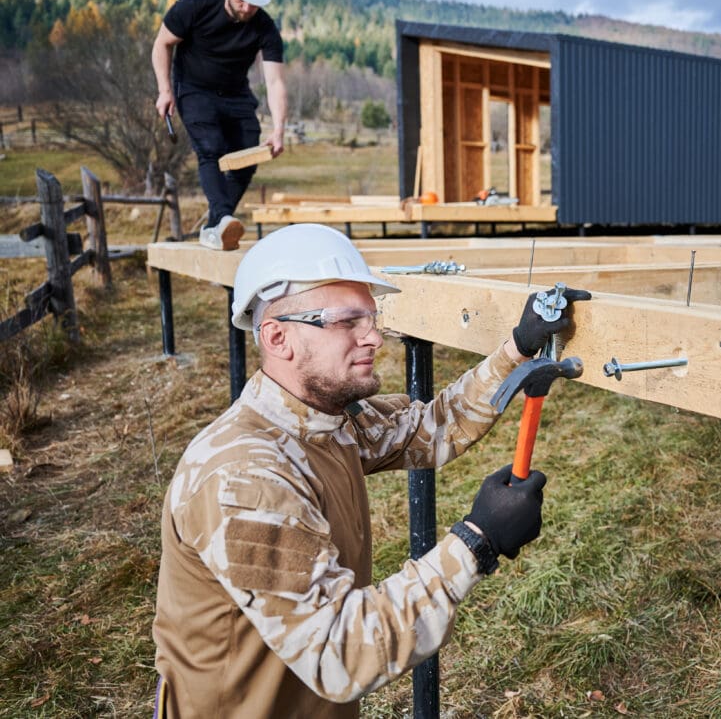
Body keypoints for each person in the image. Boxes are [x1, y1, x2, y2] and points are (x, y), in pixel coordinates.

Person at [152, 224, 591, 717]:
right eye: (347, 321)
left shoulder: (324, 419)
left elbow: (430, 426)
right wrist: (476, 541)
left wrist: (517, 349)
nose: (375, 337)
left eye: (372, 317)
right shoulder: (245, 478)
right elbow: (339, 652)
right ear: (278, 337)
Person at [151, 0, 288, 251]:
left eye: (255, 2)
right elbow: (162, 44)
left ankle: (216, 226)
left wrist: (278, 130)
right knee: (210, 148)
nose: (248, 7)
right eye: (242, 0)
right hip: (194, 89)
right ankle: (224, 218)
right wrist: (165, 90)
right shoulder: (193, 8)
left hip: (235, 93)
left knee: (252, 153)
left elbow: (275, 81)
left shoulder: (264, 27)